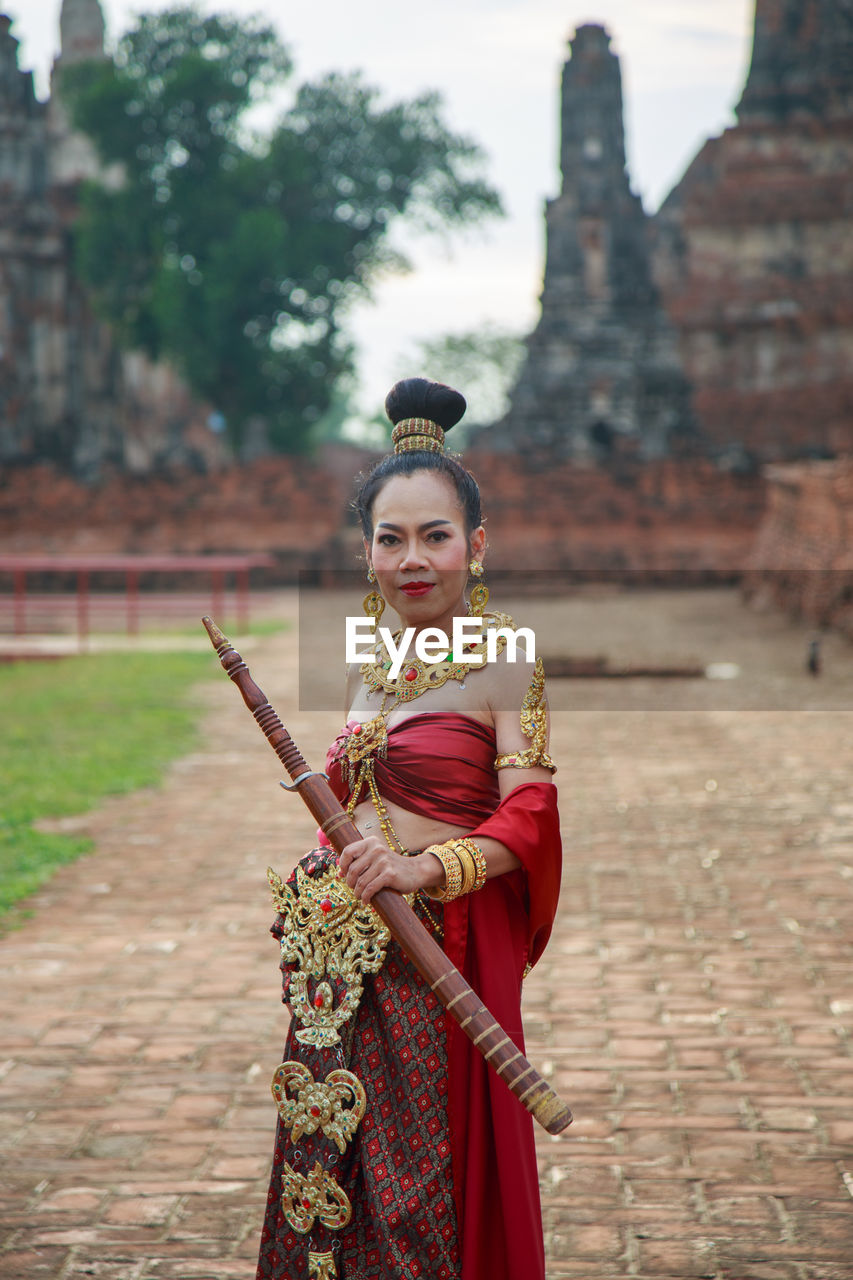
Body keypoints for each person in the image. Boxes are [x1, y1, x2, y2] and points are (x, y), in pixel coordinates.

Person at [257, 378, 562, 1280]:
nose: (412, 559)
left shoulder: (506, 655)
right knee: (332, 1172)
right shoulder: (370, 655)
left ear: (475, 544)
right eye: (390, 538)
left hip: (441, 950)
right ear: (366, 552)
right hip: (342, 963)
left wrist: (423, 872)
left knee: (414, 1190)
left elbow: (530, 817)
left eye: (435, 536)